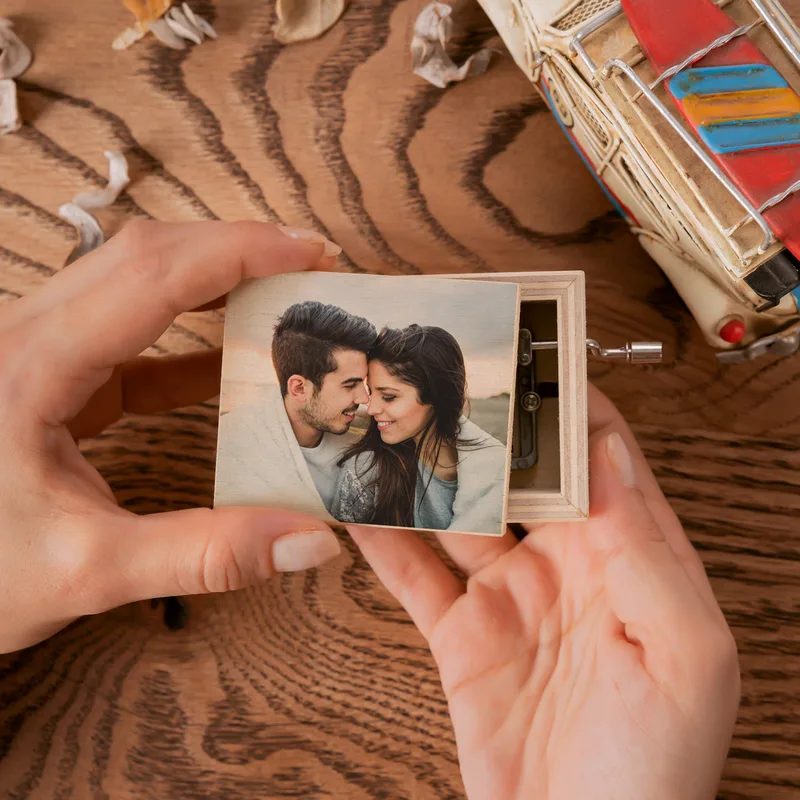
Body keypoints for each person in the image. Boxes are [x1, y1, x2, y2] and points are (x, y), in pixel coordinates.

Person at [0, 220, 740, 800]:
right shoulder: (353, 465)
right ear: (298, 390)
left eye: (382, 393)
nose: (366, 408)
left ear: (437, 402)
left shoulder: (473, 463)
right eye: (359, 389)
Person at [332, 324, 508, 534]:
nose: (371, 409)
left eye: (388, 396)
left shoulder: (496, 470)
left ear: (436, 397)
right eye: (372, 393)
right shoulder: (365, 472)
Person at [271, 300, 377, 511]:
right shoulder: (246, 455)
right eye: (350, 385)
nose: (364, 398)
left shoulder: (365, 438)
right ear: (299, 388)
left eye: (364, 383)